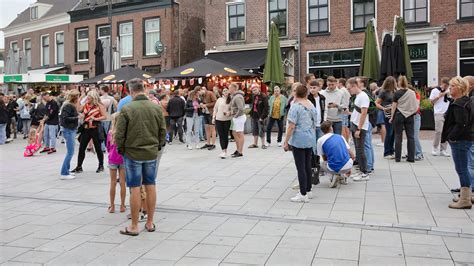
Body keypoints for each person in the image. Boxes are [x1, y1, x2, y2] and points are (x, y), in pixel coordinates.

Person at [115, 78, 166, 236]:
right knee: (151, 184)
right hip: (150, 151)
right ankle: (150, 222)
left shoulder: (127, 109)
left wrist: (122, 150)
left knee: (135, 187)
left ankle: (135, 225)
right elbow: (163, 131)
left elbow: (119, 134)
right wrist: (157, 146)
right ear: (143, 89)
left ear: (131, 92)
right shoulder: (156, 108)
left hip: (132, 152)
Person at [441, 76, 473, 209]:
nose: (450, 88)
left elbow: (462, 124)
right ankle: (467, 195)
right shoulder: (466, 101)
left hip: (460, 140)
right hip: (465, 138)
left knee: (461, 168)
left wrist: (452, 136)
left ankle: (465, 199)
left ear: (460, 88)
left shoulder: (459, 104)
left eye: (453, 86)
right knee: (464, 167)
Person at [283, 83, 318, 202]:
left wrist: (286, 141)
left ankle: (303, 194)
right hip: (310, 137)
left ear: (296, 93)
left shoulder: (295, 106)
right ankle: (308, 190)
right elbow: (315, 122)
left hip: (298, 138)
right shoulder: (311, 105)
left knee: (300, 167)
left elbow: (291, 125)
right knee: (307, 165)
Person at [71, 90, 107, 174]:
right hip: (86, 127)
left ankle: (101, 165)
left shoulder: (99, 106)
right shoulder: (86, 105)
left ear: (93, 97)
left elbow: (104, 116)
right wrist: (79, 100)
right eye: (88, 96)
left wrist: (95, 118)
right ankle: (79, 166)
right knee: (82, 147)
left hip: (95, 127)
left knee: (98, 148)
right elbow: (78, 110)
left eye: (89, 96)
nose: (88, 98)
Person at [317, 121, 355, 188]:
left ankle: (333, 177)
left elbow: (323, 157)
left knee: (322, 162)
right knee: (342, 158)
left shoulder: (320, 140)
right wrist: (349, 167)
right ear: (331, 128)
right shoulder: (340, 136)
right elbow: (352, 154)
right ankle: (343, 177)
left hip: (333, 167)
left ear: (322, 130)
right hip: (348, 165)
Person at [389, 76, 418, 163]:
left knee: (398, 136)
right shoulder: (412, 93)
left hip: (399, 115)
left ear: (399, 82)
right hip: (410, 116)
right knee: (411, 136)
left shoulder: (397, 93)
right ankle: (411, 158)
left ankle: (398, 158)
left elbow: (394, 106)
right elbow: (415, 105)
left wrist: (391, 117)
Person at [348, 78, 370, 181]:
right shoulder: (358, 96)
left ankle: (365, 172)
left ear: (354, 86)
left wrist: (359, 129)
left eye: (349, 89)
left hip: (359, 126)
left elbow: (364, 113)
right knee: (358, 149)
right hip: (355, 124)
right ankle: (361, 171)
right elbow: (358, 112)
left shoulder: (363, 96)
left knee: (360, 150)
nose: (349, 91)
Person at [107, 113, 126, 213]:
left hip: (113, 159)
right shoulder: (124, 133)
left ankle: (112, 206)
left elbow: (108, 146)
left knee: (112, 182)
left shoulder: (111, 133)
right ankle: (122, 205)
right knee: (122, 182)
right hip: (122, 159)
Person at [59, 90, 80, 180]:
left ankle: (66, 170)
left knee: (70, 151)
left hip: (69, 129)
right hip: (69, 129)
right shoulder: (68, 105)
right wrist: (77, 117)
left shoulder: (68, 105)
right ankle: (64, 172)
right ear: (75, 97)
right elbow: (65, 118)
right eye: (78, 97)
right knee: (70, 152)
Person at [376, 76, 397, 159]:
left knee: (394, 133)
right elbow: (377, 103)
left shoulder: (395, 91)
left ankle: (392, 150)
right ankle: (387, 152)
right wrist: (384, 108)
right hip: (388, 114)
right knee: (389, 133)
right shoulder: (384, 92)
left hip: (395, 114)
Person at [430, 77, 451, 157]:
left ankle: (443, 149)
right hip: (438, 112)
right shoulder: (435, 91)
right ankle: (434, 147)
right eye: (445, 85)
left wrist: (448, 93)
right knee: (438, 131)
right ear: (441, 83)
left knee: (446, 131)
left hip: (447, 113)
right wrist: (439, 96)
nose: (446, 87)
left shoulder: (449, 90)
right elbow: (431, 102)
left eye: (447, 86)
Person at [357, 77, 375, 173]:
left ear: (362, 84)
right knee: (368, 143)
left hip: (367, 121)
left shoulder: (364, 94)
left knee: (366, 144)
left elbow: (364, 111)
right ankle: (371, 164)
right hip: (370, 120)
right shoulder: (368, 93)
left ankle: (368, 166)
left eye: (358, 82)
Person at [227, 83, 246, 157]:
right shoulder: (234, 96)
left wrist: (235, 115)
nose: (229, 90)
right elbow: (233, 106)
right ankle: (238, 149)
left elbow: (241, 108)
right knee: (235, 133)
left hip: (239, 117)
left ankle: (240, 151)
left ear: (234, 89)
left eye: (229, 88)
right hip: (236, 117)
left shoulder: (237, 97)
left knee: (239, 134)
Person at [213, 88, 232, 158]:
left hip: (227, 120)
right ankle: (223, 151)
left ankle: (225, 150)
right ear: (222, 93)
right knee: (221, 136)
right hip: (219, 119)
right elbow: (215, 109)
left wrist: (228, 113)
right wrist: (213, 117)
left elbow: (232, 109)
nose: (225, 92)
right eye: (224, 91)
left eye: (227, 90)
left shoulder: (231, 100)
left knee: (225, 135)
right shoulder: (219, 100)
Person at [248, 85, 269, 149]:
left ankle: (263, 144)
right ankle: (255, 144)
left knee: (261, 130)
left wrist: (262, 117)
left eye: (255, 90)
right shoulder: (254, 96)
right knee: (255, 130)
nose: (254, 91)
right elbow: (253, 106)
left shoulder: (263, 96)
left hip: (260, 116)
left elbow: (266, 108)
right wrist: (251, 114)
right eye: (253, 90)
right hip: (254, 115)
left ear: (258, 89)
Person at [100, 86, 118, 151]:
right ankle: (109, 145)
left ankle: (102, 147)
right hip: (109, 118)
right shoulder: (112, 98)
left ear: (103, 90)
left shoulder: (99, 98)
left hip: (101, 117)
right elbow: (117, 106)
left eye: (100, 90)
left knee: (101, 133)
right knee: (108, 133)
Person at [200, 86, 218, 150]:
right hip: (205, 113)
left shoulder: (210, 93)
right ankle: (208, 143)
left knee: (212, 128)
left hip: (211, 112)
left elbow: (215, 102)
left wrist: (206, 105)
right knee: (207, 128)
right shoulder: (202, 96)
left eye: (200, 91)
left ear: (203, 89)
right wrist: (201, 105)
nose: (200, 93)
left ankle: (213, 144)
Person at [338, 78, 352, 143]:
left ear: (340, 83)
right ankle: (347, 140)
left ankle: (344, 141)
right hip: (347, 109)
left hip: (343, 110)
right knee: (346, 126)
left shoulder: (341, 91)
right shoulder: (346, 90)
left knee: (342, 127)